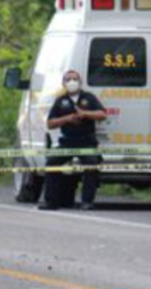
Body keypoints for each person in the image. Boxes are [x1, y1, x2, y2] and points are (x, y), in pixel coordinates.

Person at [39, 70, 107, 211]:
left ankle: (87, 202)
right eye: (68, 79)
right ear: (63, 83)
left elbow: (102, 114)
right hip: (67, 142)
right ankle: (51, 201)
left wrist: (85, 114)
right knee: (52, 163)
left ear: (80, 82)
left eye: (75, 79)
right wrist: (67, 118)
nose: (72, 82)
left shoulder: (89, 98)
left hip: (87, 142)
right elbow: (50, 123)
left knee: (92, 164)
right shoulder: (60, 100)